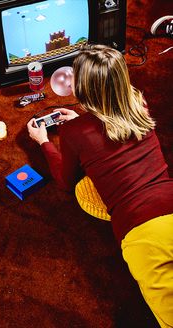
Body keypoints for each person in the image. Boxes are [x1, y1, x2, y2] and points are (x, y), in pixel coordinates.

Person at [27, 44, 173, 328]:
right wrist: (82, 121)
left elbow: (66, 182)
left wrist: (44, 142)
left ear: (80, 87)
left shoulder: (74, 132)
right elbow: (110, 124)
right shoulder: (138, 102)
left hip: (142, 229)